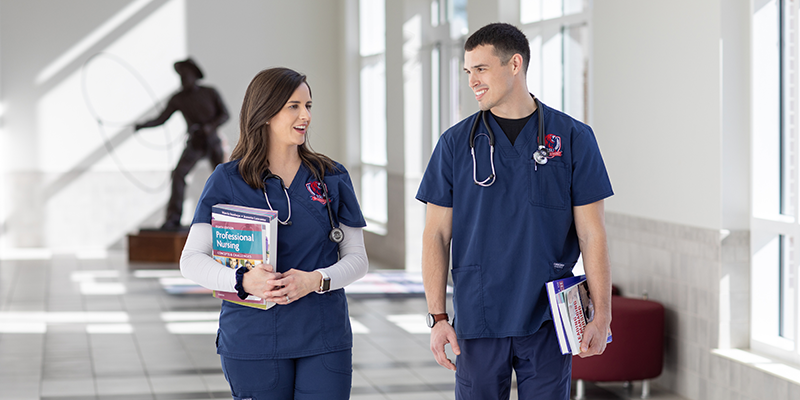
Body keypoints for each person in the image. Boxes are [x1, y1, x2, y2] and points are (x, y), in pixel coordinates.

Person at [416, 23, 613, 399]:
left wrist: (601, 313)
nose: (472, 80)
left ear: (515, 64)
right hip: (479, 315)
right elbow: (436, 235)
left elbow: (593, 233)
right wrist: (438, 317)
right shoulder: (455, 144)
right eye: (468, 71)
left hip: (547, 316)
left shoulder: (572, 138)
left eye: (481, 68)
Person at [179, 67, 368, 399]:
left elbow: (357, 259)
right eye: (293, 106)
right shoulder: (227, 179)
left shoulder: (331, 176)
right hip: (253, 338)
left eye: (308, 105)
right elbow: (191, 260)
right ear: (265, 112)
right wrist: (242, 281)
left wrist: (316, 280)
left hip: (323, 335)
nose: (305, 115)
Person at [135, 58, 230, 230]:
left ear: (194, 75)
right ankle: (173, 218)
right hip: (195, 143)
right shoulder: (178, 98)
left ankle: (227, 217)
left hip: (213, 142)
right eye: (180, 76)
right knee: (178, 174)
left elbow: (225, 114)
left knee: (224, 178)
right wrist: (142, 125)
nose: (182, 79)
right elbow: (161, 118)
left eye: (185, 75)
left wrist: (210, 127)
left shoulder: (210, 92)